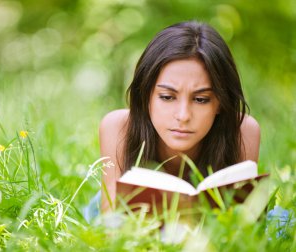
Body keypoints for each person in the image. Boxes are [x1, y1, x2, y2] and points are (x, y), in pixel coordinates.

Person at [99, 21, 260, 212]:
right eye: (167, 97)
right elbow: (109, 224)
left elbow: (243, 224)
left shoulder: (243, 130)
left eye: (201, 99)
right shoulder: (118, 127)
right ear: (146, 96)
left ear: (220, 102)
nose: (183, 116)